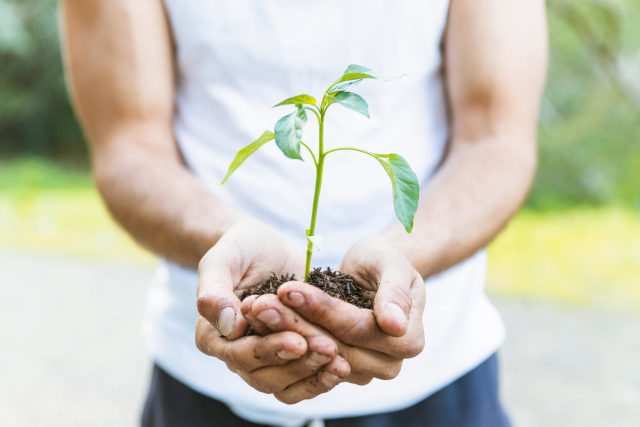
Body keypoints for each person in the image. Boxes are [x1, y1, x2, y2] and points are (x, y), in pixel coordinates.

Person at [60, 0, 547, 426]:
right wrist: (227, 246)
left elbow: (496, 140)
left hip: (440, 379)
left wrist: (403, 260)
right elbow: (129, 148)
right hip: (206, 378)